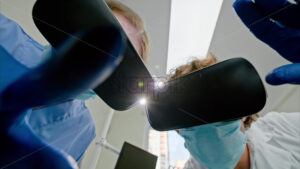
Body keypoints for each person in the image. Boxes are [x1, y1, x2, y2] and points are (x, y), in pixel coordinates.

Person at [0, 0, 149, 161]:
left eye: (117, 64)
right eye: (98, 41)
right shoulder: (4, 34)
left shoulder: (83, 130)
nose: (98, 59)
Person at [168, 54, 300, 169]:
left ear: (243, 112)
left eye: (216, 108)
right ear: (180, 131)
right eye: (190, 116)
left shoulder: (286, 128)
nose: (206, 122)